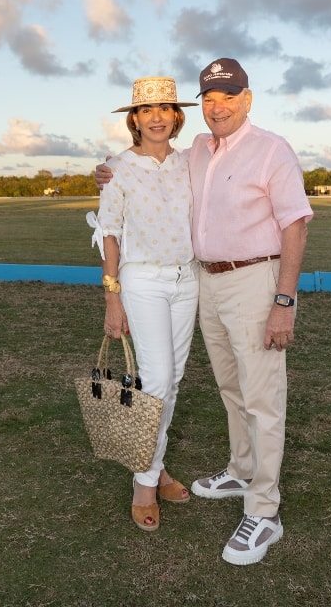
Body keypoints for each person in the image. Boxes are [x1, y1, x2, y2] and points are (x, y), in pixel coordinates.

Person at [95, 58, 313, 564]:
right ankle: (239, 469)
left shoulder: (270, 149)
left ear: (247, 99)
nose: (218, 107)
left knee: (259, 396)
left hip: (253, 280)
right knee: (227, 387)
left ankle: (264, 510)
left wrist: (284, 302)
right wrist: (105, 169)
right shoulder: (198, 150)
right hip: (201, 281)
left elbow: (296, 225)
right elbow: (116, 202)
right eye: (209, 99)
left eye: (228, 97)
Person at [86, 76, 200, 533]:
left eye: (165, 109)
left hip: (186, 279)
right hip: (142, 280)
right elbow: (109, 233)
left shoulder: (192, 162)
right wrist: (112, 299)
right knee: (156, 379)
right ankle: (144, 484)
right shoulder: (117, 168)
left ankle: (156, 468)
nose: (157, 116)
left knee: (171, 382)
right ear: (134, 119)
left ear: (176, 118)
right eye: (146, 110)